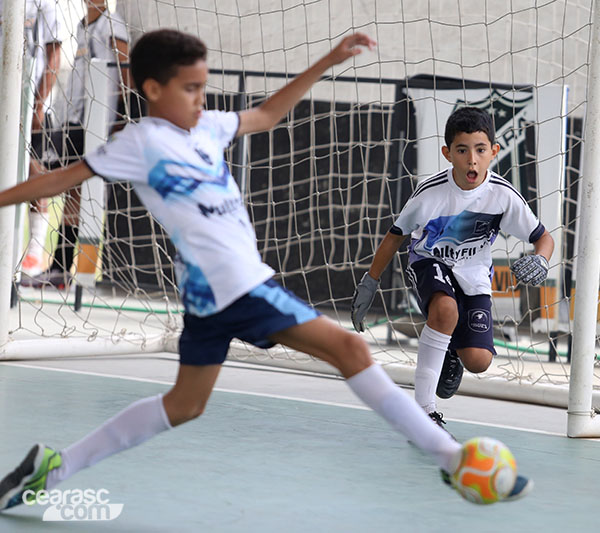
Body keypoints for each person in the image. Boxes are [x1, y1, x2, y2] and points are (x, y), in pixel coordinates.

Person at [0, 29, 532, 511]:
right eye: (189, 88)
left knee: (183, 405)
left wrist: (326, 59)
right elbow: (59, 180)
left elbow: (267, 115)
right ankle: (450, 459)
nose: (201, 98)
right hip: (236, 287)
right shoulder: (138, 143)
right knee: (350, 349)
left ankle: (56, 465)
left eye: (203, 86)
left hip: (210, 298)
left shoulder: (206, 127)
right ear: (153, 89)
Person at [351, 106, 554, 430]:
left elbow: (543, 238)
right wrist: (370, 281)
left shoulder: (503, 196)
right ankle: (423, 410)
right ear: (447, 153)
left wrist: (541, 259)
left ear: (494, 152)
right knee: (444, 311)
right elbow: (395, 236)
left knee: (479, 361)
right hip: (429, 261)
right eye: (462, 150)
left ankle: (449, 352)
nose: (471, 159)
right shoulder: (430, 194)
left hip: (474, 274)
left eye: (480, 150)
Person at [23, 0, 131, 288]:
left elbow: (124, 66)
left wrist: (122, 112)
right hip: (75, 118)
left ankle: (79, 269)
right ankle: (60, 267)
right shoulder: (84, 25)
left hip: (99, 120)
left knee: (88, 195)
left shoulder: (111, 22)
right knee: (71, 190)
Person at [0, 0, 64, 275]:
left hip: (29, 102)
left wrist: (38, 104)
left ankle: (34, 253)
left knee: (32, 170)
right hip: (4, 98)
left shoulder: (47, 5)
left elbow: (54, 55)